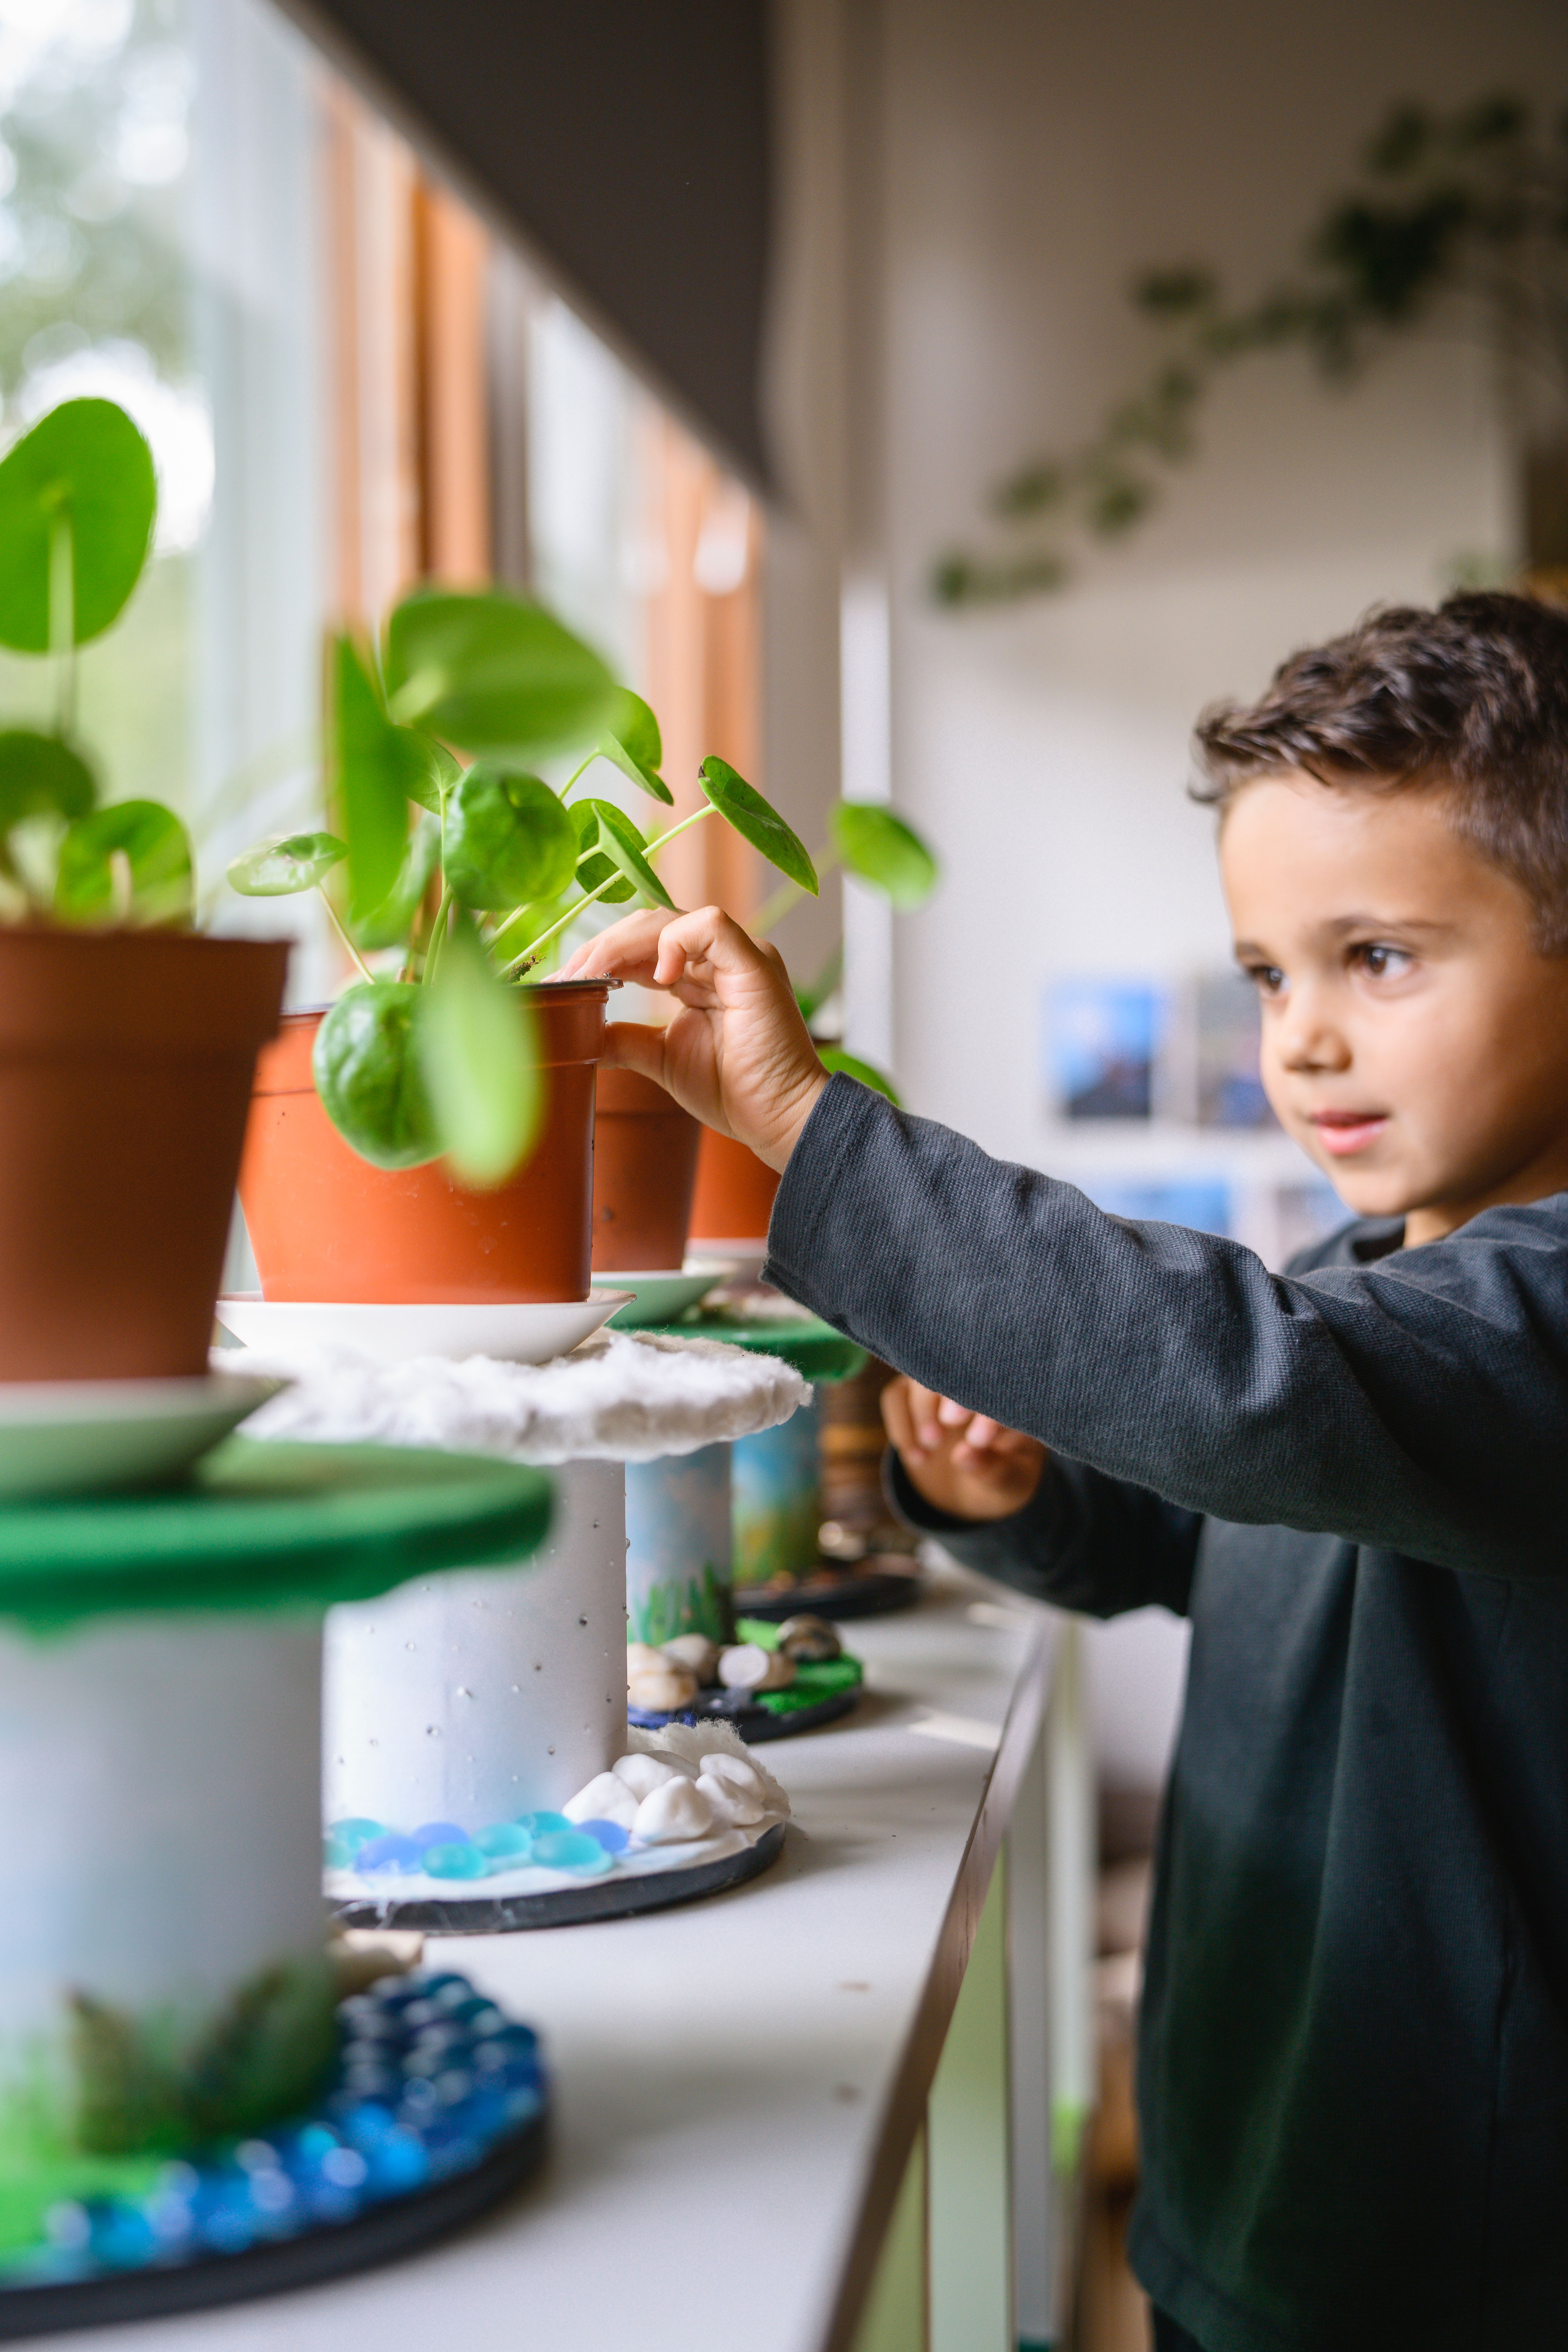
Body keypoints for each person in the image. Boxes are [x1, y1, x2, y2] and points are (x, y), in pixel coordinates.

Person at [559, 590, 1568, 2352]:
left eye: (1378, 957)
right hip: (1238, 2171)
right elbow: (1192, 1519)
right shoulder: (1359, 1289)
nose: (1301, 1038)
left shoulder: (1531, 1322)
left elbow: (1253, 1398)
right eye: (1267, 973)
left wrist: (804, 1129)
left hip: (1454, 2251)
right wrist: (1015, 1490)